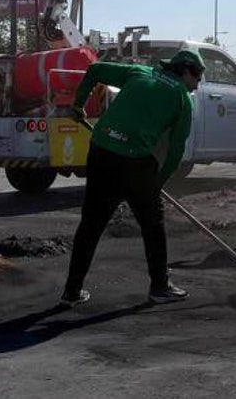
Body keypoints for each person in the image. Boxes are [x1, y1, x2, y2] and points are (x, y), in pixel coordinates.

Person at [61, 48, 204, 307]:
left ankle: (72, 291)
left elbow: (94, 70)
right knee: (152, 225)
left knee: (91, 224)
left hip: (101, 148)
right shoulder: (182, 98)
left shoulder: (139, 72)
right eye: (198, 76)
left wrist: (78, 106)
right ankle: (160, 287)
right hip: (134, 159)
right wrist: (157, 184)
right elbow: (176, 150)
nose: (199, 83)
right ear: (185, 71)